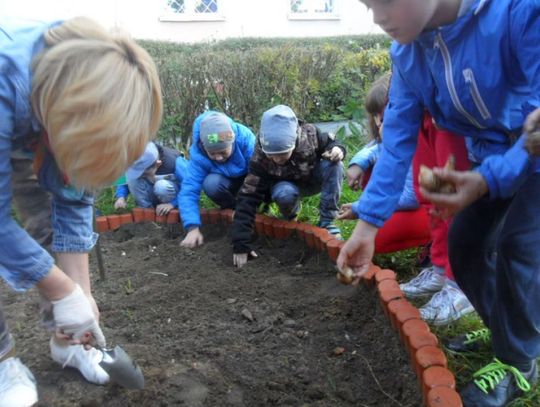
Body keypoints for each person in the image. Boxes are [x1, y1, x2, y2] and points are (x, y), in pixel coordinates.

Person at [339, 1, 540, 405]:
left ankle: (520, 361)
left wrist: (487, 180)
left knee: (520, 246)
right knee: (465, 245)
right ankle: (505, 326)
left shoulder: (520, 12)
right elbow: (395, 143)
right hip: (487, 162)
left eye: (385, 1)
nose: (377, 17)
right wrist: (367, 226)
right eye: (367, 4)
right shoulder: (411, 51)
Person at [0, 16, 162, 406]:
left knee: (51, 223)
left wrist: (79, 301)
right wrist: (58, 286)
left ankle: (67, 343)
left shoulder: (84, 88)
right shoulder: (7, 80)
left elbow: (73, 197)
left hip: (33, 127)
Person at [231, 104, 345, 268]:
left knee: (335, 166)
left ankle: (327, 222)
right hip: (285, 187)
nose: (277, 160)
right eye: (273, 156)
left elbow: (332, 143)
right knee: (284, 193)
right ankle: (291, 216)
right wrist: (240, 242)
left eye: (283, 154)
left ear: (294, 141)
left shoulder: (311, 134)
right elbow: (248, 195)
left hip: (312, 178)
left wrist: (337, 149)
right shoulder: (260, 156)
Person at [342, 73, 432, 254]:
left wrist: (362, 207)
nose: (378, 122)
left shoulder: (418, 144)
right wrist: (357, 164)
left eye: (384, 118)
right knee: (369, 170)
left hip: (428, 208)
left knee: (376, 235)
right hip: (407, 200)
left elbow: (411, 198)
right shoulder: (395, 134)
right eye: (376, 117)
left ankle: (433, 242)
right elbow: (375, 147)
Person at [179, 111, 255, 248]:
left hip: (247, 179)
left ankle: (252, 209)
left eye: (223, 152)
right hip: (224, 182)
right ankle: (231, 208)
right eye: (212, 154)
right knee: (211, 184)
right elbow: (189, 189)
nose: (219, 158)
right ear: (203, 147)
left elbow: (257, 174)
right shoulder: (198, 155)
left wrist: (246, 210)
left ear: (233, 141)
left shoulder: (246, 140)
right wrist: (192, 228)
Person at [114, 141, 187, 216]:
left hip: (172, 199)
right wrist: (121, 197)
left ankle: (171, 213)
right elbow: (126, 177)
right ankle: (147, 212)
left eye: (144, 174)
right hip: (151, 196)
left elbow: (190, 188)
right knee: (133, 180)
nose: (141, 176)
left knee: (161, 186)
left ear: (158, 164)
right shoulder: (135, 157)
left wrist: (172, 204)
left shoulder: (176, 162)